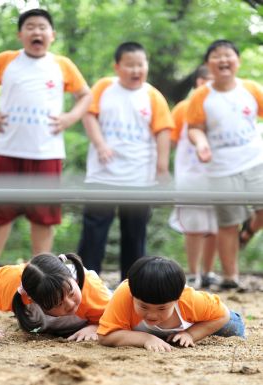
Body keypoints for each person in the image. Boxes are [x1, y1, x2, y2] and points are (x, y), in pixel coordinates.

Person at [0, 8, 91, 271]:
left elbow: (86, 95)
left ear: (52, 35)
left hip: (46, 152)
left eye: (42, 27)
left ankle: (43, 271)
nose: (36, 32)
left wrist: (69, 118)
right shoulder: (5, 60)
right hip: (8, 148)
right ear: (20, 34)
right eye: (30, 27)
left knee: (44, 216)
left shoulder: (62, 65)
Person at [78, 41, 174, 281]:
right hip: (103, 174)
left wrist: (162, 168)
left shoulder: (153, 95)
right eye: (129, 65)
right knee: (94, 232)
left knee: (135, 234)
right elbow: (88, 115)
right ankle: (85, 283)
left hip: (140, 177)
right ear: (117, 66)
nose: (136, 70)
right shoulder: (104, 87)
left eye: (140, 64)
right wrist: (100, 145)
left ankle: (133, 286)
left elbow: (163, 131)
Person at [187, 39, 263, 289]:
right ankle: (231, 277)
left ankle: (248, 233)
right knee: (227, 223)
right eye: (216, 56)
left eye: (228, 55)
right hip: (220, 168)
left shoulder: (251, 88)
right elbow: (194, 128)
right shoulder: (201, 95)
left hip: (255, 160)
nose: (223, 60)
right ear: (209, 64)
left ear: (237, 61)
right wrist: (201, 144)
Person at [97, 256, 245, 352]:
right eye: (143, 306)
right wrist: (145, 339)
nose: (152, 314)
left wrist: (190, 334)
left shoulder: (190, 300)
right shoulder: (124, 294)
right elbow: (106, 336)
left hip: (205, 321)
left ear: (177, 299)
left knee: (234, 328)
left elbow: (222, 314)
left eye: (162, 308)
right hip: (158, 332)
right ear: (133, 295)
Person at [0, 252, 111, 340]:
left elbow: (115, 318)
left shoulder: (91, 288)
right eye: (58, 304)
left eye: (71, 293)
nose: (70, 304)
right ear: (33, 299)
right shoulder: (14, 283)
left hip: (90, 317)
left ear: (74, 280)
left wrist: (94, 326)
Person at [169, 65, 219, 289]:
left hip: (218, 174)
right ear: (198, 82)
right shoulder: (183, 108)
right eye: (205, 80)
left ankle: (209, 271)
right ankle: (193, 272)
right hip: (190, 175)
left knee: (216, 225)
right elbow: (171, 140)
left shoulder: (221, 108)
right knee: (194, 226)